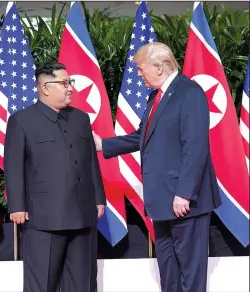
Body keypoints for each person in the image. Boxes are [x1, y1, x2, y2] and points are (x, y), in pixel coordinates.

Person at [93, 42, 222, 292]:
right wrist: (103, 145)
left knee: (190, 267)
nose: (139, 75)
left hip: (184, 200)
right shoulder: (157, 96)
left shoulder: (189, 92)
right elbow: (143, 135)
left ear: (160, 67)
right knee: (167, 265)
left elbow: (195, 147)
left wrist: (184, 193)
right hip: (161, 199)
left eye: (141, 69)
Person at [4, 62, 106, 292]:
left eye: (70, 82)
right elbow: (13, 165)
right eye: (64, 83)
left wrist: (99, 198)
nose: (70, 87)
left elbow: (91, 160)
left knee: (83, 282)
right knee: (42, 282)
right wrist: (17, 206)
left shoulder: (81, 118)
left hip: (83, 213)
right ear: (45, 88)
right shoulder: (22, 120)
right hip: (44, 218)